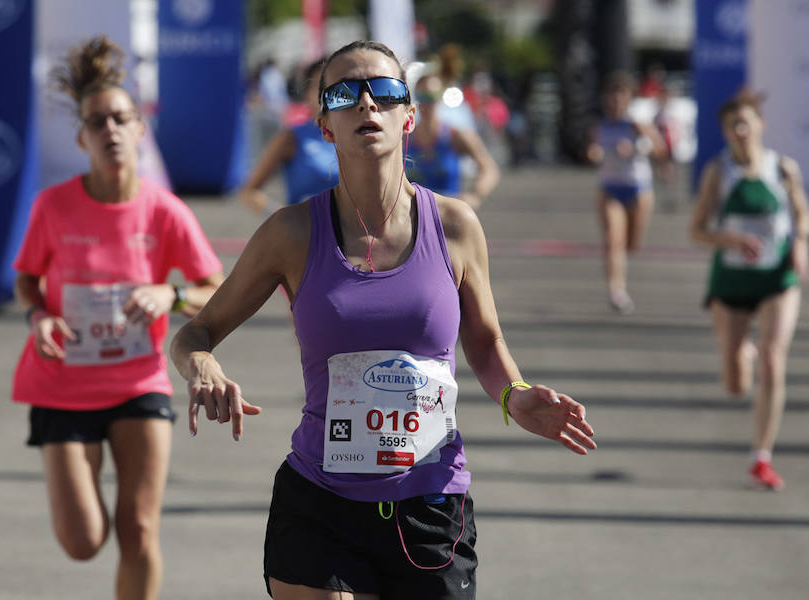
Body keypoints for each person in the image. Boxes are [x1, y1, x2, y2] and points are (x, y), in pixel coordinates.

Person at [171, 40, 596, 599]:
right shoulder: (291, 233)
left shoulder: (457, 226)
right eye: (345, 93)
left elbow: (486, 341)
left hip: (429, 503)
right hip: (319, 498)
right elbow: (195, 331)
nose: (367, 104)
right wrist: (201, 365)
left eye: (385, 91)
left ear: (408, 116)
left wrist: (513, 394)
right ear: (324, 126)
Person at [11, 36, 225, 599]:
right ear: (82, 137)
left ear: (138, 130)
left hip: (137, 383)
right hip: (61, 384)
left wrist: (169, 294)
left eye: (120, 118)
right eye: (96, 122)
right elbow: (27, 278)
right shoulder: (53, 206)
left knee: (139, 528)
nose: (109, 130)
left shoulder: (164, 210)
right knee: (83, 541)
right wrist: (38, 317)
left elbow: (216, 291)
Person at [689, 89, 808, 491]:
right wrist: (731, 240)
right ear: (724, 131)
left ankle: (762, 457)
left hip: (777, 279)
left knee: (775, 358)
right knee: (736, 384)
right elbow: (697, 231)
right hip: (732, 282)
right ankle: (745, 352)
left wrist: (801, 248)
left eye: (746, 123)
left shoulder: (784, 168)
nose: (740, 130)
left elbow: (800, 216)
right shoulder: (718, 172)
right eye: (732, 125)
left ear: (761, 126)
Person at [586, 71, 667, 314]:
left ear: (629, 99)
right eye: (612, 96)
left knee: (632, 244)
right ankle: (616, 291)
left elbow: (660, 150)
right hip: (610, 188)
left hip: (638, 189)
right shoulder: (599, 126)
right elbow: (592, 150)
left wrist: (635, 147)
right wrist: (593, 154)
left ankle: (619, 281)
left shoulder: (636, 124)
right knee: (613, 241)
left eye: (621, 96)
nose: (616, 101)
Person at [239, 59, 338, 216]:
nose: (328, 93)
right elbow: (248, 191)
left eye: (336, 87)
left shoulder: (357, 136)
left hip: (353, 237)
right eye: (321, 86)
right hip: (307, 237)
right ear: (307, 93)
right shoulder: (292, 137)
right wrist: (283, 218)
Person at [407, 74, 500, 210]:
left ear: (440, 97)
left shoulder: (456, 136)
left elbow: (489, 168)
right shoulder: (404, 138)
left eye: (432, 97)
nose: (427, 103)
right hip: (413, 217)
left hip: (448, 217)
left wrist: (475, 195)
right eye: (422, 97)